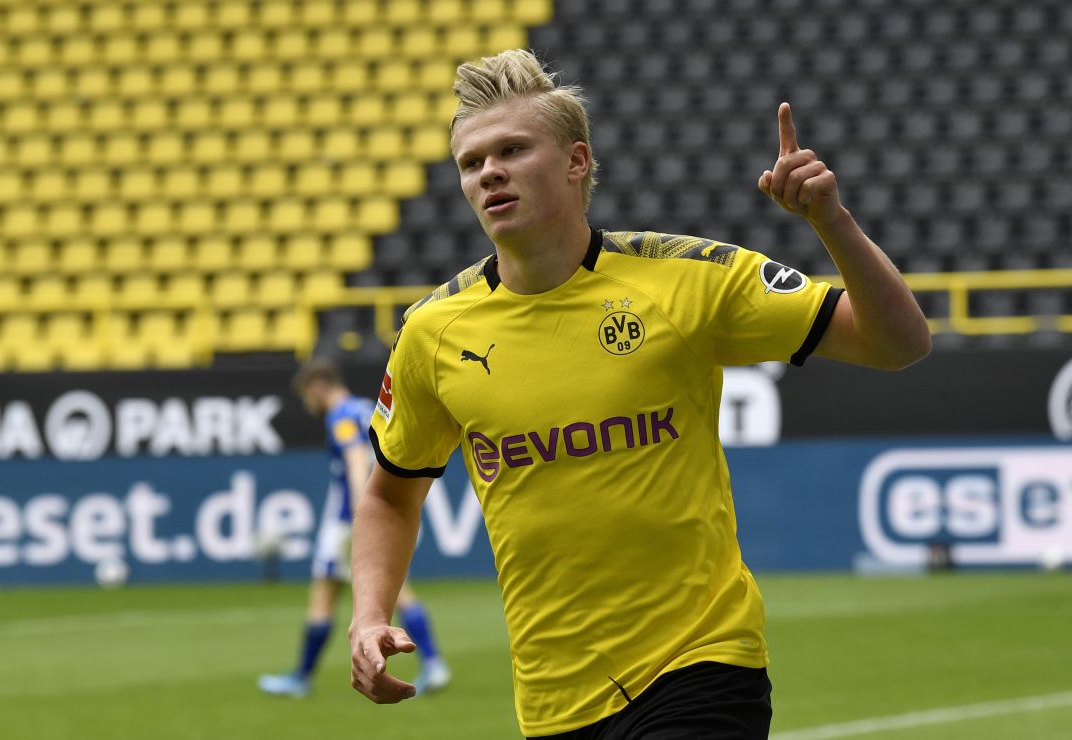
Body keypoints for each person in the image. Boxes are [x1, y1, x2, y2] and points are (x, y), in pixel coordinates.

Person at [349, 49, 930, 738]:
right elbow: (390, 492)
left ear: (576, 161)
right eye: (471, 163)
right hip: (553, 700)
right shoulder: (432, 333)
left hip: (702, 663)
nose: (489, 173)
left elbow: (898, 343)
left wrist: (831, 222)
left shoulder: (687, 278)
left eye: (511, 149)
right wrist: (368, 613)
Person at [257, 357, 450, 698]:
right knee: (391, 587)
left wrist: (363, 515)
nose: (307, 404)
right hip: (370, 518)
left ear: (318, 387)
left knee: (330, 595)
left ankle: (301, 678)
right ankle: (433, 663)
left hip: (349, 522)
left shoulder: (340, 415)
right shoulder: (366, 407)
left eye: (306, 395)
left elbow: (355, 460)